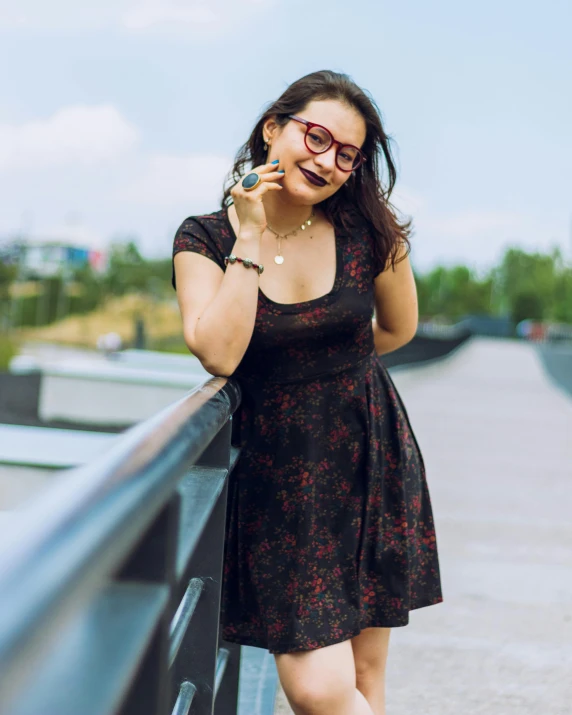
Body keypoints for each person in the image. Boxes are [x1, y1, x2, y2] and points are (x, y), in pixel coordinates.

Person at [172, 70, 443, 715]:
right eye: (316, 137)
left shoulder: (373, 234)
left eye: (346, 154)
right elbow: (217, 349)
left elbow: (399, 329)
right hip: (278, 481)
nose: (327, 161)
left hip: (367, 457)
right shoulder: (205, 239)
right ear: (274, 128)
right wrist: (250, 234)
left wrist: (323, 367)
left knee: (364, 677)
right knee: (320, 689)